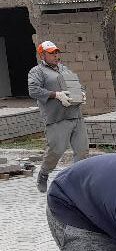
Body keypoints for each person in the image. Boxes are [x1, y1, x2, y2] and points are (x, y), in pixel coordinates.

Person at [27, 40, 89, 193]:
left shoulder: (64, 69)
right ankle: (44, 173)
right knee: (56, 150)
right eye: (51, 53)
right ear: (42, 55)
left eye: (56, 52)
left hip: (75, 115)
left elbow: (76, 85)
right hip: (57, 118)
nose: (56, 56)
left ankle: (76, 182)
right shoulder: (37, 71)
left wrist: (81, 93)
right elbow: (33, 90)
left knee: (82, 150)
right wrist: (56, 95)